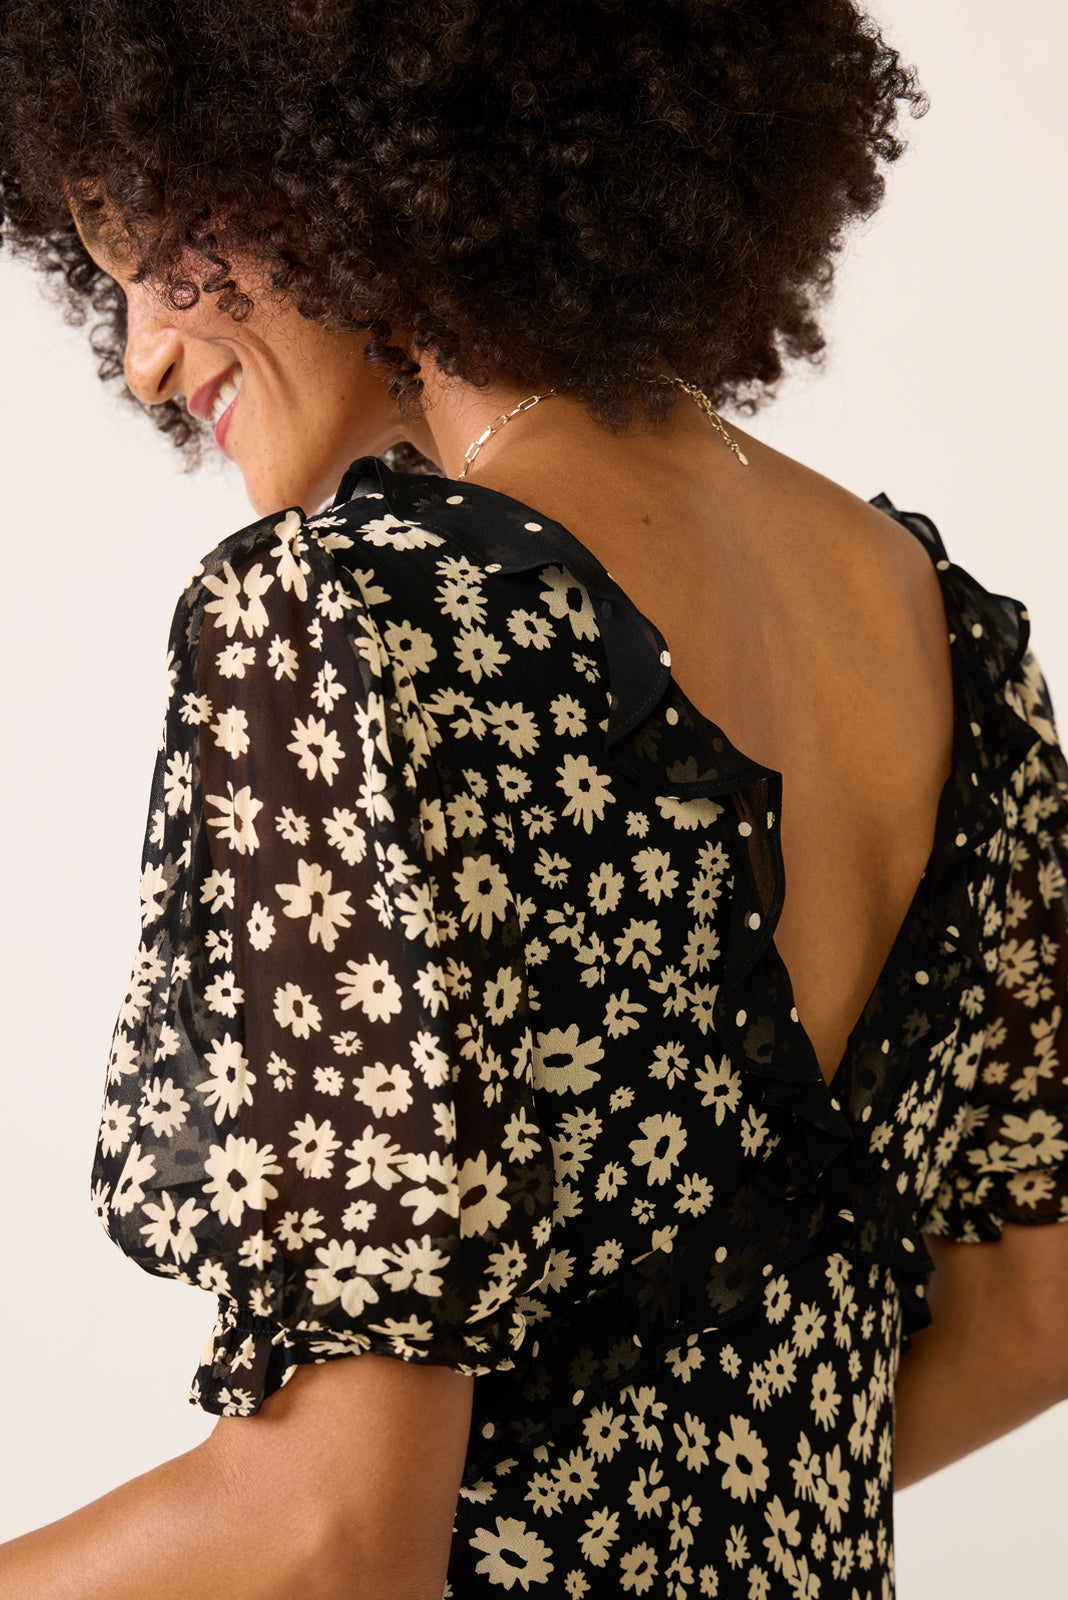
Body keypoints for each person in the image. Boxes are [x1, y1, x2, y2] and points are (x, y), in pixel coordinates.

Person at [1, 1, 1066, 1596]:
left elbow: (326, 1533)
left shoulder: (350, 613)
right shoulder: (938, 629)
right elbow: (1035, 1313)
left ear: (333, 150)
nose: (143, 355)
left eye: (156, 253)